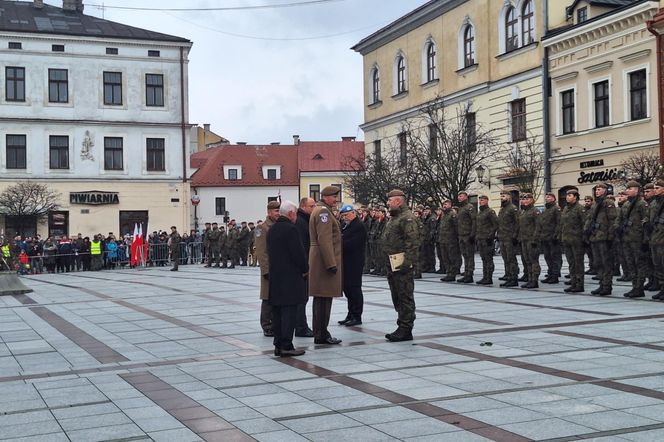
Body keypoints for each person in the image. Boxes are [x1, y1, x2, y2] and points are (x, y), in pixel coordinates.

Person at [266, 200, 308, 357]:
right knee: (289, 313)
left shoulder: (272, 229)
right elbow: (298, 253)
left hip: (276, 278)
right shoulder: (291, 229)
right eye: (295, 213)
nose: (296, 216)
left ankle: (278, 344)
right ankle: (286, 345)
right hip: (290, 278)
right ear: (291, 213)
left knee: (277, 313)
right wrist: (305, 269)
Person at [309, 185, 343, 345]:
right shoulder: (323, 212)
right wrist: (331, 263)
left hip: (320, 259)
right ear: (326, 197)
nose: (336, 200)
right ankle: (322, 333)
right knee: (324, 298)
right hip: (324, 262)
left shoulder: (320, 210)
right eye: (334, 197)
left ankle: (320, 331)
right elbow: (325, 239)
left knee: (321, 299)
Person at [383, 189, 419, 342]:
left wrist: (407, 263)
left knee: (405, 296)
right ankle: (401, 325)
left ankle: (406, 328)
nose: (388, 204)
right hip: (393, 264)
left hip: (402, 265)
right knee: (397, 296)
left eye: (390, 201)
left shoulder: (407, 218)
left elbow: (413, 242)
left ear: (398, 201)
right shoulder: (395, 218)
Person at [617, 181, 649, 298]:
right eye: (628, 188)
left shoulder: (642, 204)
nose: (628, 190)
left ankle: (639, 287)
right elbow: (619, 219)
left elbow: (646, 221)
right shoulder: (625, 204)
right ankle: (634, 286)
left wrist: (645, 240)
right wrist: (618, 229)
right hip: (626, 238)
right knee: (630, 263)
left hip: (637, 239)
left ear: (636, 190)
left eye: (630, 188)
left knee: (639, 263)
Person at [585, 183, 616, 296]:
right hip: (595, 237)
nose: (597, 191)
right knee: (598, 262)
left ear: (605, 190)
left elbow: (613, 221)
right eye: (596, 190)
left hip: (604, 238)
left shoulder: (608, 203)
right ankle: (601, 284)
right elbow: (589, 220)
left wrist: (610, 237)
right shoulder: (595, 204)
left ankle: (607, 286)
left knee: (606, 263)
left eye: (599, 189)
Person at [255, 201, 281, 337]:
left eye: (279, 211)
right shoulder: (262, 228)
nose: (278, 213)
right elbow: (261, 251)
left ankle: (276, 323)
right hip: (269, 268)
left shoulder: (279, 225)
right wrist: (265, 270)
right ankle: (267, 325)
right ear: (269, 212)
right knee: (267, 298)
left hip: (280, 268)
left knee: (277, 297)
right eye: (276, 211)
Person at [339, 204, 367, 326]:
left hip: (354, 262)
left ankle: (357, 315)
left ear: (353, 213)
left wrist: (339, 243)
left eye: (347, 215)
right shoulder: (347, 225)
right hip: (347, 262)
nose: (345, 217)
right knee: (348, 289)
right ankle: (350, 314)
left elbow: (353, 244)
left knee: (354, 289)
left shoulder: (358, 226)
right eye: (343, 215)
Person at [294, 197, 315, 337]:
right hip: (302, 267)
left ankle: (301, 326)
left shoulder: (304, 220)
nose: (314, 208)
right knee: (301, 298)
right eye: (311, 206)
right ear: (303, 206)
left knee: (303, 298)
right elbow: (302, 246)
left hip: (303, 265)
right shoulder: (301, 222)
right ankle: (301, 327)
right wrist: (305, 267)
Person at [561, 189, 585, 293]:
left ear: (575, 197)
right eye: (567, 195)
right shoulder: (566, 208)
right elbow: (563, 224)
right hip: (567, 240)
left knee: (578, 263)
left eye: (570, 195)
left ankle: (580, 284)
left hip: (577, 240)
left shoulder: (580, 209)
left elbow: (584, 224)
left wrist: (583, 239)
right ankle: (573, 282)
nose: (567, 197)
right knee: (571, 263)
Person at [518, 193, 541, 289]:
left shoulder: (535, 211)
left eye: (527, 199)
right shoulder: (523, 212)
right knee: (527, 261)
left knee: (533, 260)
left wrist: (535, 239)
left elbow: (538, 226)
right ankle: (530, 279)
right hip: (524, 239)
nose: (524, 201)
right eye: (523, 199)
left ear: (532, 200)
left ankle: (534, 280)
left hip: (532, 240)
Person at [497, 191, 519, 287]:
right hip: (502, 237)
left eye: (504, 196)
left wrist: (515, 236)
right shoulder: (502, 209)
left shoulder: (512, 208)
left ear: (509, 197)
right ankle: (508, 275)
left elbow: (517, 223)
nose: (502, 197)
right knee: (505, 258)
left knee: (511, 258)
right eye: (501, 196)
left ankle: (514, 278)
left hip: (510, 238)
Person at [475, 195, 498, 285]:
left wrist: (491, 235)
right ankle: (485, 276)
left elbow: (495, 224)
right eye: (480, 200)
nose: (481, 201)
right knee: (483, 258)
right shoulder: (480, 212)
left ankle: (489, 277)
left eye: (483, 200)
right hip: (481, 239)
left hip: (487, 239)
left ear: (487, 201)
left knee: (488, 259)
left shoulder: (490, 212)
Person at [540, 193, 562, 284]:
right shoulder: (546, 210)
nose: (546, 198)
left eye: (549, 197)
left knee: (554, 257)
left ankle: (555, 275)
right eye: (546, 197)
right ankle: (550, 274)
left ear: (554, 198)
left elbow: (559, 223)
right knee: (547, 257)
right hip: (545, 237)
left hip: (553, 237)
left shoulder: (556, 209)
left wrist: (556, 235)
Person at [456, 191, 476, 283]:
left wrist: (472, 234)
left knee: (469, 255)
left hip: (468, 235)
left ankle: (470, 274)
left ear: (466, 197)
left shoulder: (470, 207)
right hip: (461, 235)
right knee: (465, 255)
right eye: (458, 196)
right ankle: (466, 272)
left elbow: (474, 221)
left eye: (461, 196)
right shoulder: (461, 208)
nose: (459, 198)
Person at [438, 199, 461, 282]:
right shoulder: (443, 215)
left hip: (451, 240)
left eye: (446, 204)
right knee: (445, 258)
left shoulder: (453, 214)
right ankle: (448, 273)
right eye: (443, 204)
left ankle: (452, 274)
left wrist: (456, 238)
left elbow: (456, 227)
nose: (444, 206)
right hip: (443, 240)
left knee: (452, 258)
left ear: (450, 205)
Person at [650, 179, 664, 300]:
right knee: (658, 265)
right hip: (654, 238)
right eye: (654, 188)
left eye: (657, 188)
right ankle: (662, 288)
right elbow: (647, 217)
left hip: (662, 239)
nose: (655, 190)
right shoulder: (654, 203)